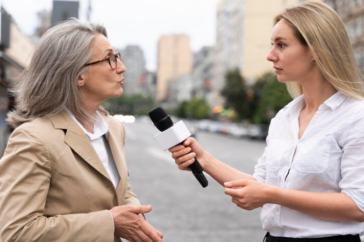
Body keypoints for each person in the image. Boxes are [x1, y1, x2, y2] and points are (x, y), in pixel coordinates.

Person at [170, 2, 364, 241]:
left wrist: (272, 195)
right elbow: (259, 185)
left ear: (316, 50)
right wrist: (203, 159)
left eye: (281, 45)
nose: (270, 55)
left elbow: (358, 206)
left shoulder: (356, 116)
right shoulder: (284, 117)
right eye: (273, 44)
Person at [0, 18, 163, 242]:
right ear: (78, 75)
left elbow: (118, 188)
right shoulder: (33, 139)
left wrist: (133, 215)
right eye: (110, 59)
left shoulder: (113, 128)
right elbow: (16, 232)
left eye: (118, 57)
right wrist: (110, 223)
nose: (121, 67)